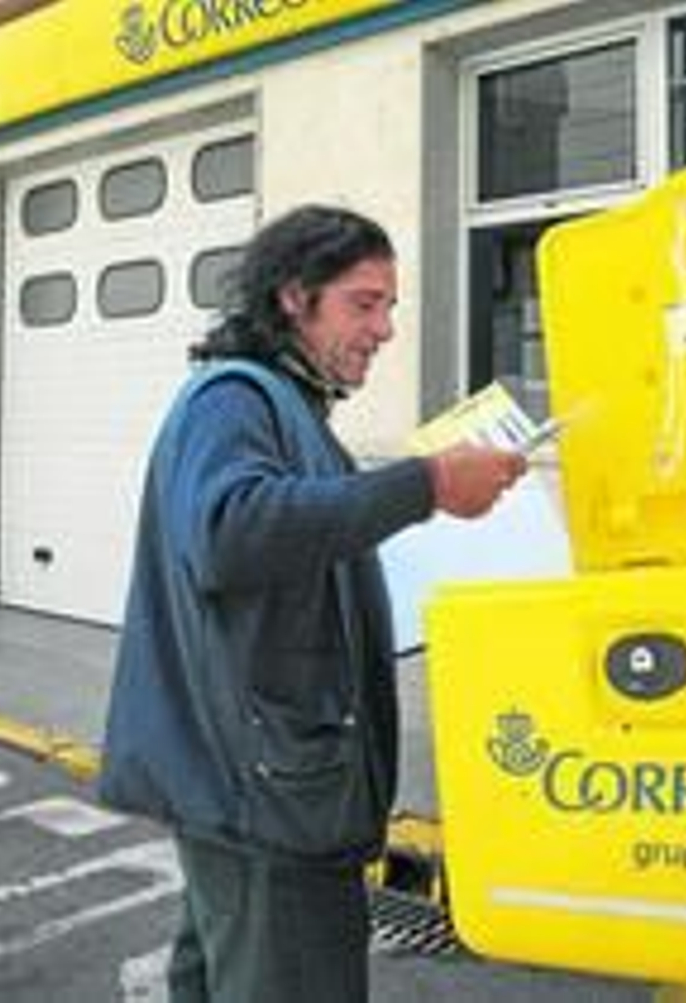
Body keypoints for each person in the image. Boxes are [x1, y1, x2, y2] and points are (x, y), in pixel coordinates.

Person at [97, 204, 527, 1003]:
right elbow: (230, 532)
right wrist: (429, 483)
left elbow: (296, 554)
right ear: (295, 298)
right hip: (269, 794)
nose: (386, 327)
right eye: (365, 303)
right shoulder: (234, 399)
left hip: (263, 785)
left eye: (391, 305)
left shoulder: (292, 412)